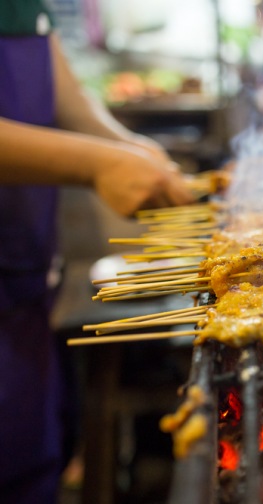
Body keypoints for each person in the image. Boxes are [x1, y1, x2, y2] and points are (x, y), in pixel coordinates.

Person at [0, 2, 196, 502]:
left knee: (31, 462)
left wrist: (127, 145)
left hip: (22, 277)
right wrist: (95, 165)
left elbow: (58, 81)